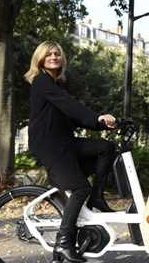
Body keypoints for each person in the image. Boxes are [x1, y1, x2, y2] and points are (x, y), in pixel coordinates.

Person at [24, 41, 117, 263]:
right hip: (50, 146)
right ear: (40, 59)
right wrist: (96, 119)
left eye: (57, 54)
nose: (54, 57)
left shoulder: (57, 84)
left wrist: (102, 123)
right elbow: (71, 106)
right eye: (49, 55)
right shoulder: (41, 81)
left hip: (64, 142)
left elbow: (72, 113)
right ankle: (64, 244)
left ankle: (97, 197)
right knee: (79, 187)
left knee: (106, 148)